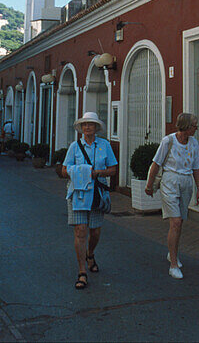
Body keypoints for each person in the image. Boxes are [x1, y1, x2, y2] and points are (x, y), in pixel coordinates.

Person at [63, 111, 117, 290]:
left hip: (97, 194)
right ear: (81, 128)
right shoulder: (74, 147)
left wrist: (96, 173)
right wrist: (80, 171)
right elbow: (64, 170)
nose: (87, 128)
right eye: (85, 125)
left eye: (91, 124)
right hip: (78, 194)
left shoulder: (104, 145)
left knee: (94, 231)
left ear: (96, 128)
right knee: (80, 231)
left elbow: (113, 169)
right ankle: (81, 271)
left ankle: (90, 253)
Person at [145, 112, 199, 279]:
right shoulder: (168, 141)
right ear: (185, 126)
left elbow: (196, 167)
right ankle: (174, 264)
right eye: (194, 126)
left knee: (180, 221)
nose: (196, 128)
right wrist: (149, 185)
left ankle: (173, 252)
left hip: (186, 182)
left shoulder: (194, 143)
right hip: (170, 181)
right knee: (175, 221)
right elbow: (156, 163)